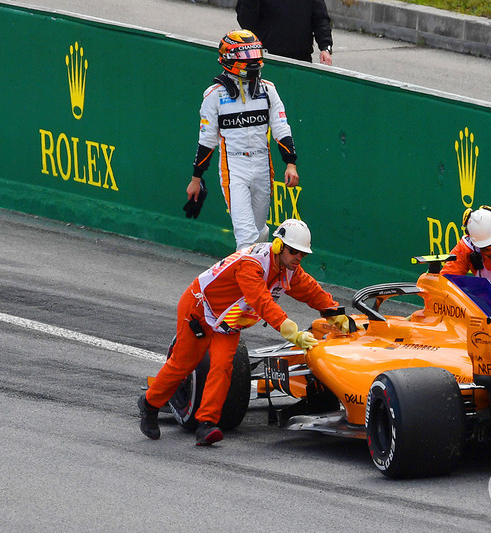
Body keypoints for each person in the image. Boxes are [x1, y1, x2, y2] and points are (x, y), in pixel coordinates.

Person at [138, 219, 352, 446]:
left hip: (229, 321)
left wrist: (334, 312)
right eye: (293, 252)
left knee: (222, 367)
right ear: (279, 246)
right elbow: (260, 301)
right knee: (183, 363)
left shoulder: (290, 270)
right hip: (199, 309)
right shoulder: (251, 265)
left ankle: (206, 425)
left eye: (302, 254)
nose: (298, 258)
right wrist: (291, 331)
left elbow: (311, 291)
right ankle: (149, 404)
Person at [188, 29, 299, 251]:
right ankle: (247, 284)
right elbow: (207, 140)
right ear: (229, 58)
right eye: (246, 57)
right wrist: (196, 178)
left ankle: (255, 276)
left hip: (262, 166)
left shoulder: (269, 90)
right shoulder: (214, 95)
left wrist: (290, 162)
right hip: (233, 167)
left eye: (255, 56)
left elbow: (281, 127)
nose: (253, 62)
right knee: (247, 236)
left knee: (259, 232)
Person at [236, 0, 333, 65]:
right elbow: (246, 23)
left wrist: (325, 47)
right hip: (267, 59)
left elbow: (320, 19)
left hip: (301, 60)